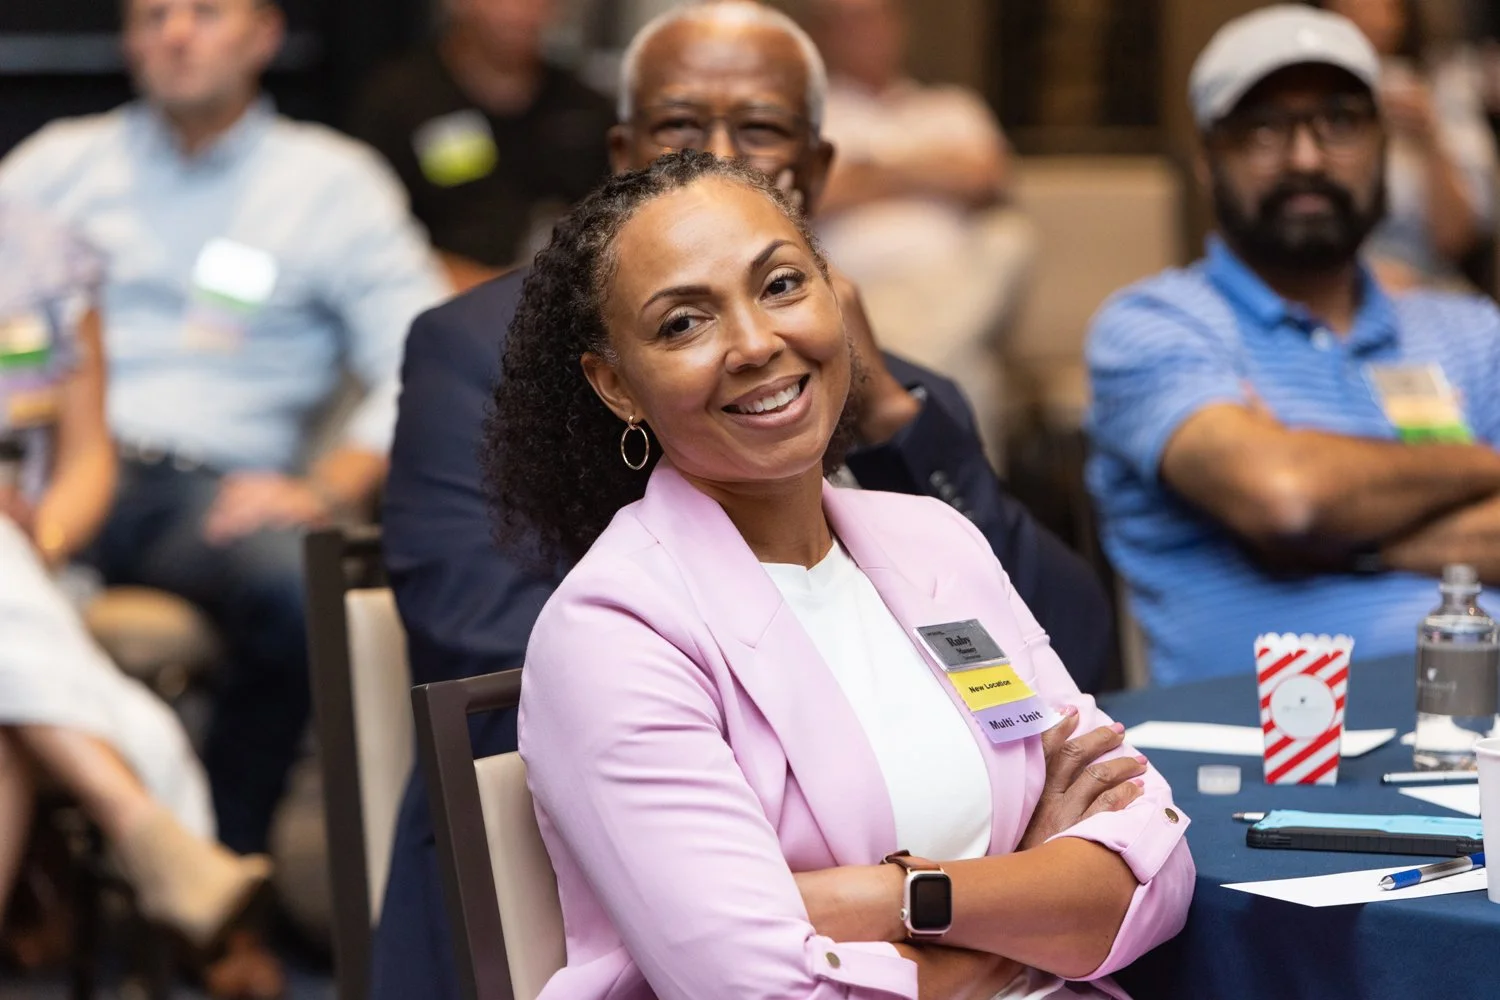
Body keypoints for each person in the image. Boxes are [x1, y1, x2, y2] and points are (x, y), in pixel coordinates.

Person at [372, 4, 1117, 997]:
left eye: (760, 128)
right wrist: (1006, 892)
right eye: (681, 127)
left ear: (815, 165)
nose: (719, 157)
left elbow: (1067, 648)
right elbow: (486, 644)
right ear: (622, 153)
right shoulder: (477, 351)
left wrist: (885, 413)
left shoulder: (876, 380)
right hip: (576, 877)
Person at [498, 149, 1192, 1000]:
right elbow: (762, 989)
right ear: (617, 387)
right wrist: (1026, 904)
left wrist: (889, 898)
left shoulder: (934, 542)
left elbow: (1156, 867)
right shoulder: (612, 635)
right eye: (683, 324)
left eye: (782, 284)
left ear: (837, 295)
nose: (758, 342)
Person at [0, 1, 447, 985]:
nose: (174, 33)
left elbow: (424, 349)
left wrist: (330, 479)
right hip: (43, 466)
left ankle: (229, 864)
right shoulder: (56, 165)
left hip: (205, 488)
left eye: (204, 11)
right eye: (152, 14)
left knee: (294, 583)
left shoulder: (328, 183)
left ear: (264, 34)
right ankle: (161, 858)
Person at [1087, 4, 1500, 687]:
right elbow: (1285, 495)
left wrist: (1346, 539)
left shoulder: (1471, 329)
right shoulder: (1155, 322)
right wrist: (1482, 465)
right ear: (1207, 159)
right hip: (1264, 739)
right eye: (1264, 129)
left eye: (1339, 122)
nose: (1306, 158)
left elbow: (1303, 509)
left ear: (1382, 144)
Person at [0, 200, 270, 956]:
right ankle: (144, 824)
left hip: (26, 568)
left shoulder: (38, 252)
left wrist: (41, 539)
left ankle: (142, 830)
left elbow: (87, 455)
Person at [805, 0, 1032, 458]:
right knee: (969, 372)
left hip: (957, 286)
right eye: (847, 23)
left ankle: (907, 370)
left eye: (872, 18)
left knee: (1012, 238)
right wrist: (930, 168)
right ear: (823, 35)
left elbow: (987, 178)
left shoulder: (952, 106)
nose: (864, 33)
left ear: (898, 24)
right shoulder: (809, 116)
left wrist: (869, 170)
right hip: (856, 294)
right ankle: (966, 485)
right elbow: (810, 194)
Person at [349, 0, 615, 291]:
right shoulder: (397, 102)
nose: (522, 12)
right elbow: (366, 234)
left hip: (563, 298)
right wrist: (480, 288)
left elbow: (615, 223)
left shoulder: (588, 110)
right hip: (435, 296)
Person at [1318, 0, 1497, 289]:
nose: (1369, 17)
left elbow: (1457, 239)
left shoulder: (1443, 85)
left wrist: (1429, 137)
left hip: (1426, 281)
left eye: (1382, 5)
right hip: (1326, 280)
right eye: (1351, 7)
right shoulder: (1303, 99)